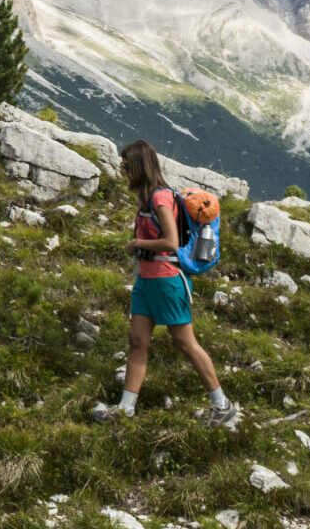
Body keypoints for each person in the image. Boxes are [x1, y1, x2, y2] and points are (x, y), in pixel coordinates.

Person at [93, 138, 234, 426]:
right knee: (137, 341)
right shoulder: (147, 198)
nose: (124, 172)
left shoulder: (160, 198)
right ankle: (126, 409)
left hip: (167, 279)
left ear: (139, 166)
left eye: (127, 166)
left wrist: (136, 243)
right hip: (146, 279)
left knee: (184, 342)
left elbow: (170, 241)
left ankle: (221, 404)